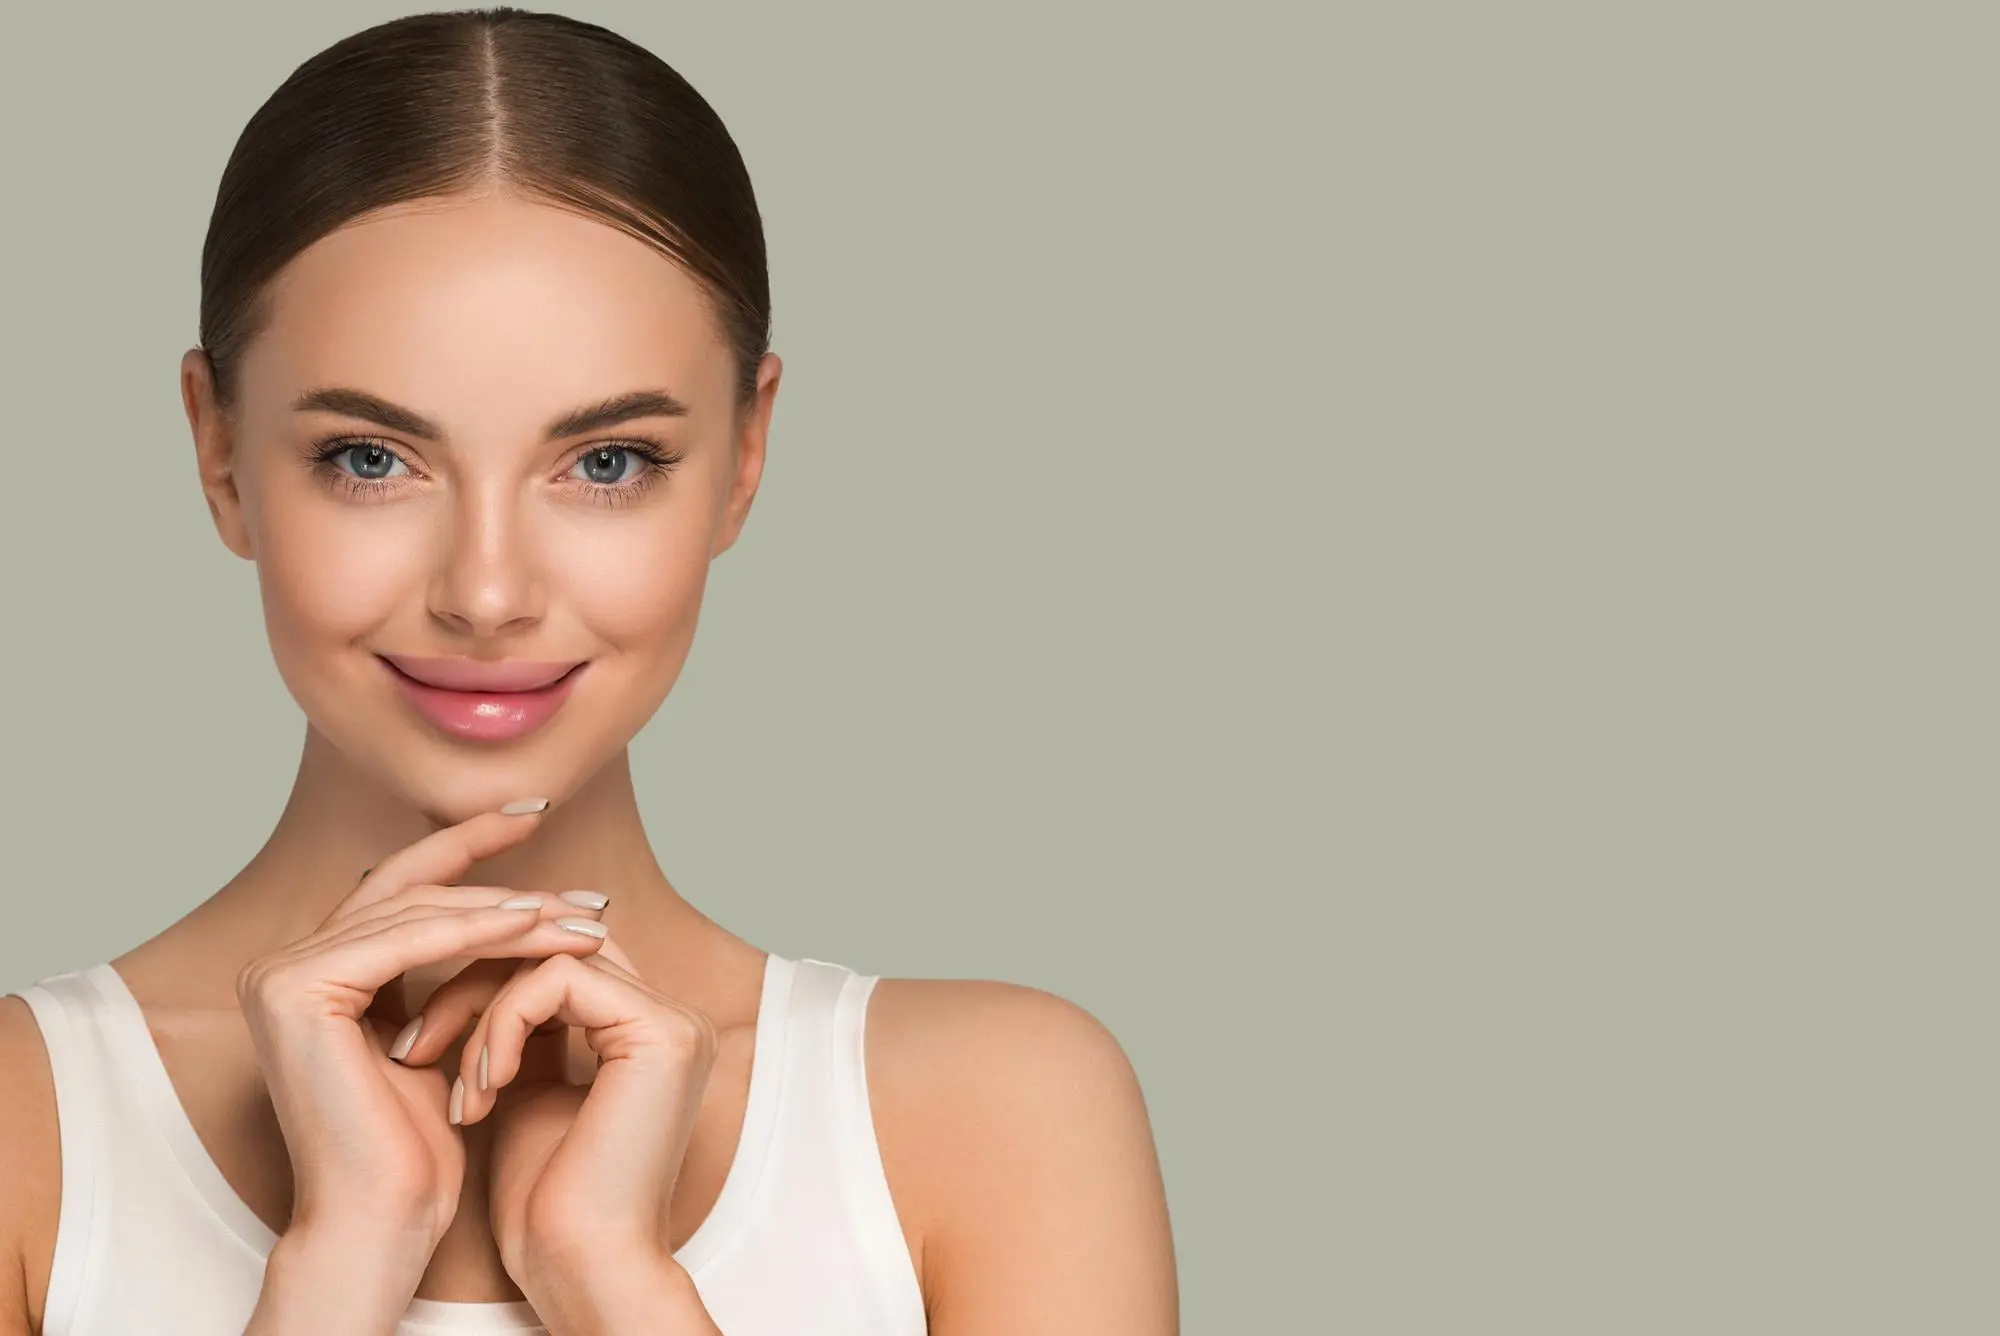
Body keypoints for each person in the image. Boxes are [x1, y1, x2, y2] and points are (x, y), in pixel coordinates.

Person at [0, 8, 1177, 1334]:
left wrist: (615, 1284)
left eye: (606, 463)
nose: (487, 593)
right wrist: (342, 1263)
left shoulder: (997, 1115)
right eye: (371, 459)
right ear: (220, 455)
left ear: (743, 456)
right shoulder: (21, 1132)